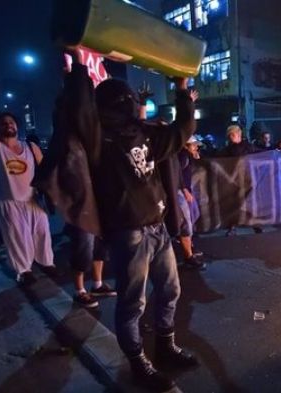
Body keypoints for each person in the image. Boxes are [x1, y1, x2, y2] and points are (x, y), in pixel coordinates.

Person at [59, 52, 199, 391]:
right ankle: (138, 363)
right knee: (132, 302)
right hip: (128, 233)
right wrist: (78, 66)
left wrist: (182, 90)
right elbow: (79, 111)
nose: (128, 105)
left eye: (130, 100)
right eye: (122, 101)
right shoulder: (97, 139)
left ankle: (165, 347)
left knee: (170, 290)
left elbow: (183, 130)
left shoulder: (147, 134)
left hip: (157, 227)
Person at [0, 89, 56, 285]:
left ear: (17, 126)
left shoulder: (31, 148)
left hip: (33, 200)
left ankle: (46, 262)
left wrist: (53, 192)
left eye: (11, 123)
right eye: (3, 123)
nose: (8, 125)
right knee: (17, 238)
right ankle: (24, 270)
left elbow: (45, 171)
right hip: (8, 202)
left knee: (42, 232)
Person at [175, 136, 205, 269]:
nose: (196, 147)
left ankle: (188, 245)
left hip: (184, 191)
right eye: (193, 145)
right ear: (186, 146)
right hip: (181, 192)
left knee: (193, 215)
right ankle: (188, 256)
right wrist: (184, 190)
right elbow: (177, 175)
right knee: (186, 222)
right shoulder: (183, 157)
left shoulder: (186, 156)